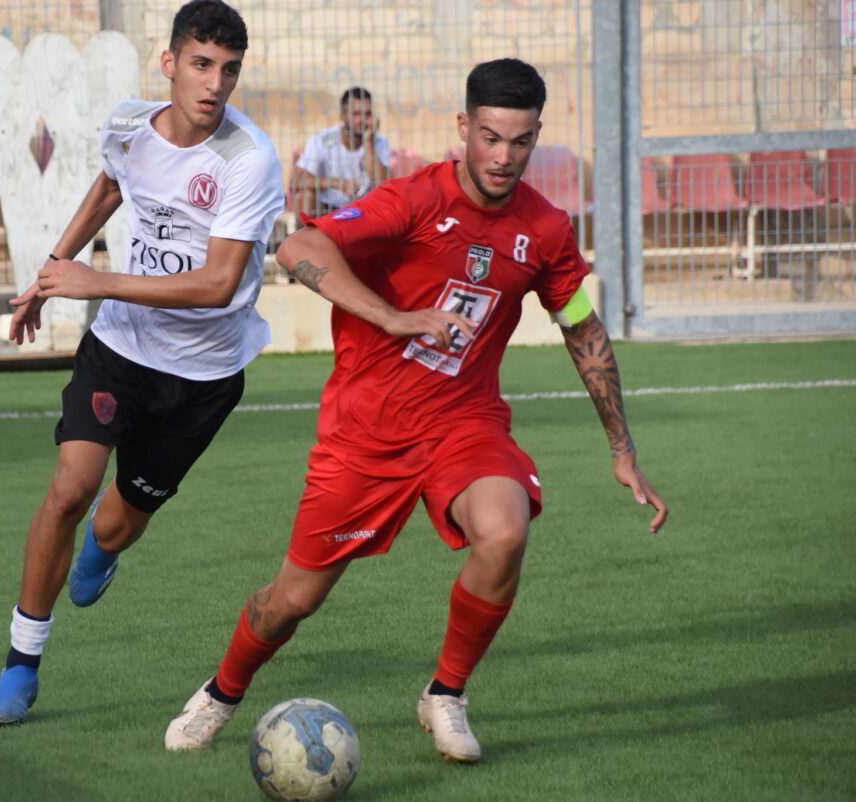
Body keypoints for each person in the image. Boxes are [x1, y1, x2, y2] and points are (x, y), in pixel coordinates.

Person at [165, 57, 669, 762]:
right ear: (464, 127)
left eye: (520, 142)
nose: (503, 157)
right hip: (366, 434)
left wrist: (622, 448)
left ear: (536, 137)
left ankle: (446, 694)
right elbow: (298, 248)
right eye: (490, 137)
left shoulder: (547, 231)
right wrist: (394, 316)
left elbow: (580, 327)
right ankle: (222, 691)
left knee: (505, 530)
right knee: (291, 602)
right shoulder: (412, 201)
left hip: (465, 425)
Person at [0, 0, 284, 726]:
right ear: (169, 63)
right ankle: (23, 661)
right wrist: (53, 270)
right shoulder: (126, 124)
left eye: (230, 71)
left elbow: (216, 287)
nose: (214, 85)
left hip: (204, 377)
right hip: (121, 349)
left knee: (115, 525)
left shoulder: (249, 159)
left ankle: (105, 548)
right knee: (68, 488)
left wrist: (95, 279)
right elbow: (114, 187)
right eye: (202, 65)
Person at [291, 86, 391, 219]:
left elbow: (385, 184)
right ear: (342, 115)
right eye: (355, 114)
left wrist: (368, 142)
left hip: (364, 211)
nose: (361, 120)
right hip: (327, 209)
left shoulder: (378, 142)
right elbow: (296, 181)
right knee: (304, 195)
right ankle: (305, 238)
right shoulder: (322, 141)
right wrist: (337, 183)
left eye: (366, 114)